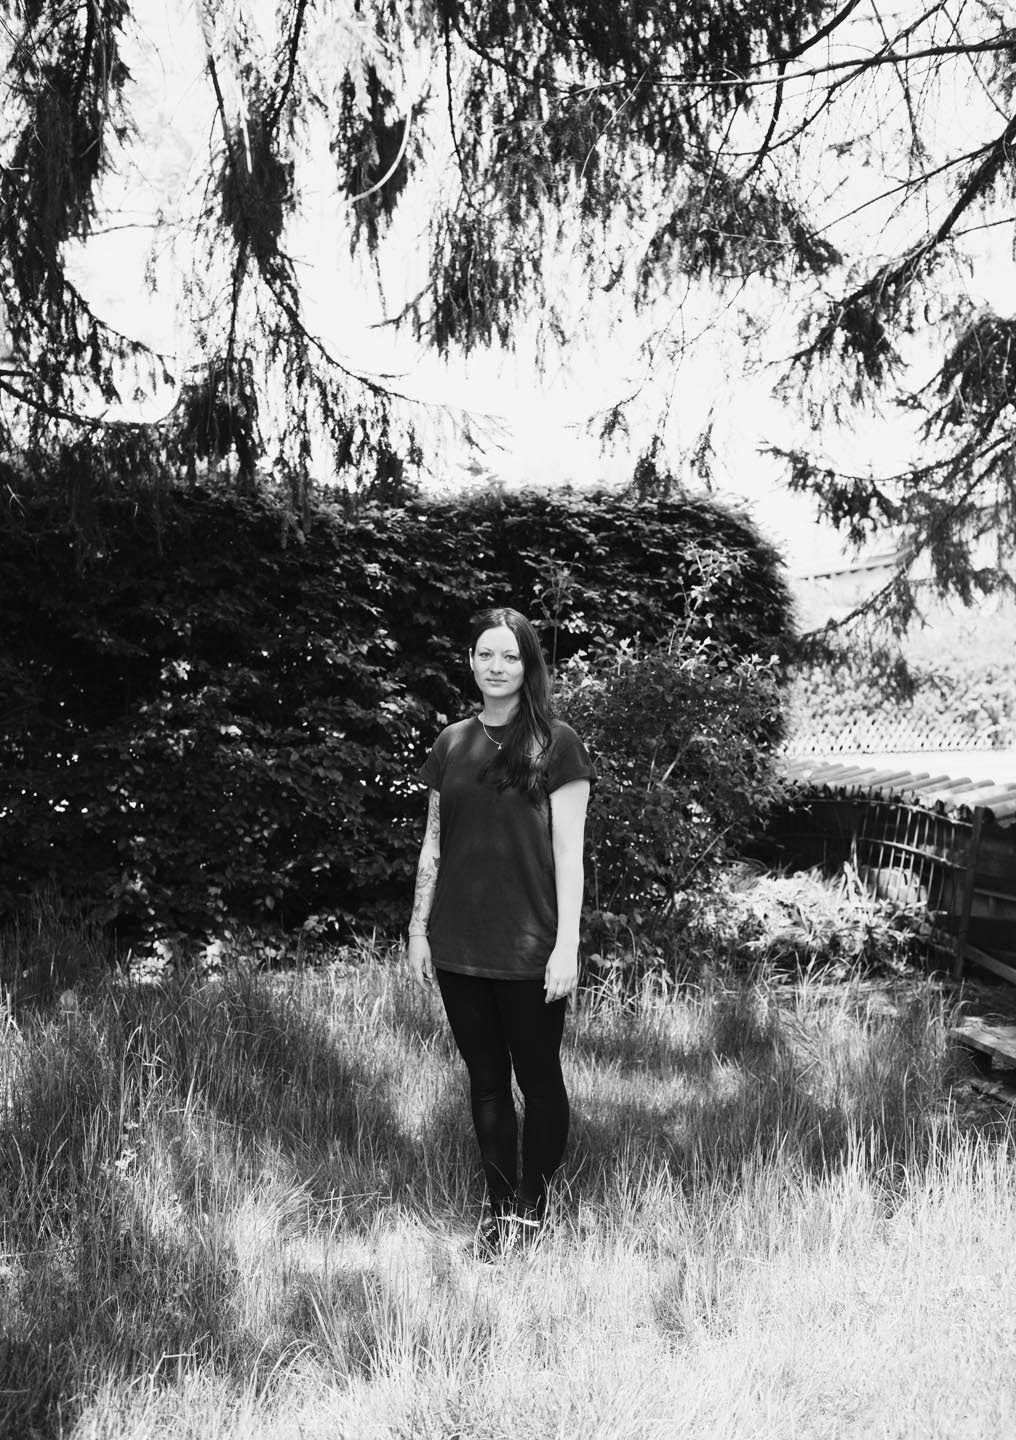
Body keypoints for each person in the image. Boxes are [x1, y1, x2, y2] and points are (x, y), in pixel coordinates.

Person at [407, 606, 593, 1259]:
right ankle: (497, 1212)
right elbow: (433, 844)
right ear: (470, 662)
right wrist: (418, 928)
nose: (497, 666)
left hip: (531, 947)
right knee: (485, 1079)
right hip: (458, 945)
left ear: (528, 665)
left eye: (510, 655)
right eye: (486, 654)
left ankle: (532, 1213)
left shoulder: (557, 744)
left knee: (538, 1081)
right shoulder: (450, 744)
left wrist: (567, 945)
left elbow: (569, 855)